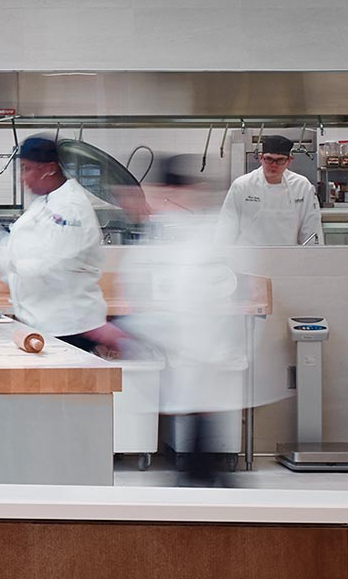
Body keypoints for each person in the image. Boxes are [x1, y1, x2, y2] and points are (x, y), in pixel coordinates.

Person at [118, 155, 251, 486]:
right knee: (196, 430)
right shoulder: (168, 233)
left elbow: (206, 295)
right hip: (190, 352)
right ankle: (200, 487)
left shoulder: (199, 235)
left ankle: (204, 492)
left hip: (200, 351)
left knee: (200, 431)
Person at [0, 136, 124, 353]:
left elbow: (47, 264)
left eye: (27, 169)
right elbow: (21, 249)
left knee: (66, 385)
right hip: (44, 322)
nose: (22, 178)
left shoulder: (70, 208)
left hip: (68, 327)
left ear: (49, 169)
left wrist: (11, 262)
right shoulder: (45, 202)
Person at [217, 134, 324, 246]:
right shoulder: (242, 186)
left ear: (289, 160)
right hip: (249, 259)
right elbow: (226, 229)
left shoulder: (302, 186)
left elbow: (312, 230)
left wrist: (314, 259)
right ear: (261, 158)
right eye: (269, 159)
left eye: (280, 160)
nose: (274, 165)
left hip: (288, 259)